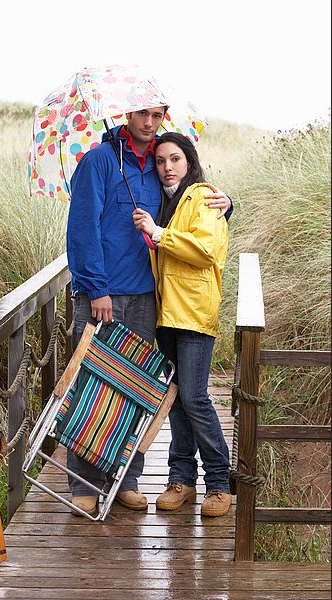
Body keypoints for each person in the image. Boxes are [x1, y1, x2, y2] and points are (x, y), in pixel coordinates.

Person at [66, 107, 231, 516]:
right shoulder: (101, 160)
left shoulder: (157, 165)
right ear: (128, 114)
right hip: (102, 294)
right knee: (91, 386)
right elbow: (82, 228)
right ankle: (84, 483)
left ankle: (126, 479)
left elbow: (192, 206)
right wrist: (95, 287)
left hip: (147, 297)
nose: (149, 122)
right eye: (143, 114)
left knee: (135, 391)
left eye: (157, 115)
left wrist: (228, 205)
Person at [132, 132, 232, 517]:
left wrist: (157, 233)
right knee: (175, 400)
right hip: (166, 314)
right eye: (159, 161)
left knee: (194, 397)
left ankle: (219, 483)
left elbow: (205, 250)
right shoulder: (165, 202)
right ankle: (181, 479)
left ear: (188, 161)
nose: (167, 167)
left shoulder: (204, 196)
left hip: (192, 312)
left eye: (174, 159)